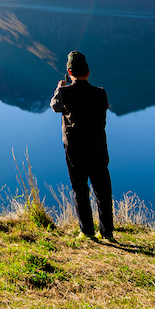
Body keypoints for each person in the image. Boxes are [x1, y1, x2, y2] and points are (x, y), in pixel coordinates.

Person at [50, 50, 114, 241]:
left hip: (75, 149)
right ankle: (107, 232)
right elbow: (104, 107)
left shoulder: (64, 93)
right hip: (98, 147)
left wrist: (59, 88)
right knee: (102, 190)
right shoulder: (100, 93)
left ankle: (86, 231)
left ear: (69, 73)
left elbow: (55, 106)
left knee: (80, 189)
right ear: (88, 73)